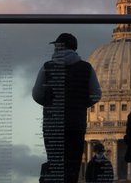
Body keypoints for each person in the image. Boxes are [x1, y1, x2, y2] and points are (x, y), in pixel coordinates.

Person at [31, 32, 102, 183]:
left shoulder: (47, 67)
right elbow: (96, 94)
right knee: (73, 165)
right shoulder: (86, 68)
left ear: (58, 47)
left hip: (53, 125)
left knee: (55, 163)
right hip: (75, 125)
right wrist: (82, 104)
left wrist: (50, 104)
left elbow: (37, 95)